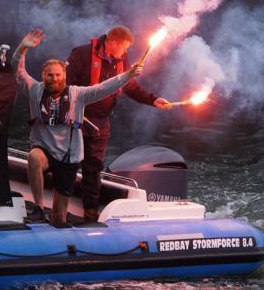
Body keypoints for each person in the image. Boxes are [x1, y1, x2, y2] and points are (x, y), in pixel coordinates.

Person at [12, 28, 143, 226]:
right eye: (49, 75)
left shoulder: (77, 94)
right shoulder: (34, 89)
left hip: (68, 156)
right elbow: (17, 70)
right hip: (44, 152)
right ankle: (38, 207)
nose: (53, 79)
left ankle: (61, 223)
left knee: (58, 219)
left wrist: (126, 76)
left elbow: (103, 88)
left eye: (57, 75)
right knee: (33, 157)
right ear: (43, 76)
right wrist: (22, 48)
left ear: (64, 76)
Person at [66, 25, 171, 222]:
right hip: (76, 118)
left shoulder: (122, 60)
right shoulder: (81, 54)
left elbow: (129, 86)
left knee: (94, 166)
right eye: (124, 47)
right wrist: (71, 111)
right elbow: (66, 84)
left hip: (101, 121)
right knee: (69, 163)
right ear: (113, 42)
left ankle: (90, 213)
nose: (126, 52)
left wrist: (153, 100)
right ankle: (61, 209)